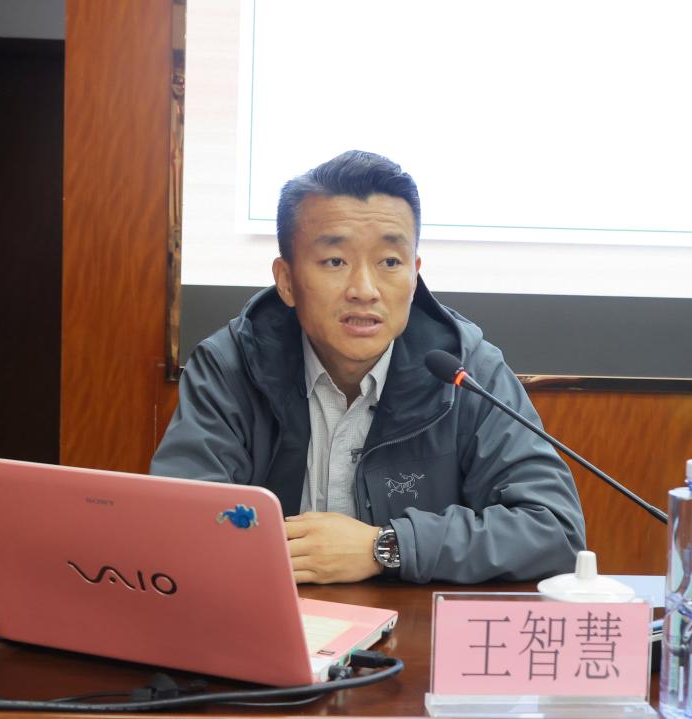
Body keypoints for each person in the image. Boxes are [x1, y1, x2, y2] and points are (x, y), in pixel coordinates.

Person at [152, 150, 586, 584]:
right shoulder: (231, 365)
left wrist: (387, 546)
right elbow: (176, 527)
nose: (364, 289)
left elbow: (555, 529)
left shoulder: (465, 370)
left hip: (411, 624)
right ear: (286, 280)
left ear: (414, 275)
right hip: (269, 613)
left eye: (390, 262)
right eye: (335, 262)